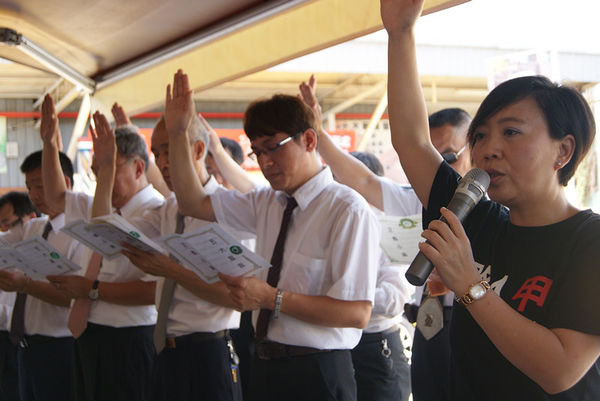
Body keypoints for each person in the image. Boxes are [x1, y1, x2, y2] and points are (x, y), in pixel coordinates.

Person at [382, 0, 600, 399]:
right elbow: (412, 142)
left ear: (563, 151)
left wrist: (468, 282)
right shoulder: (475, 217)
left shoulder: (590, 242)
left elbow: (560, 370)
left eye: (511, 132)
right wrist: (400, 34)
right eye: (480, 136)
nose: (488, 150)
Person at [165, 69, 379, 401]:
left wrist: (270, 298)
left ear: (309, 140)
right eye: (257, 152)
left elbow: (356, 313)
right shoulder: (267, 202)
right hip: (264, 365)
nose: (265, 162)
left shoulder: (346, 208)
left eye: (273, 148)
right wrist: (178, 133)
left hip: (318, 372)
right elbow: (192, 202)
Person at [299, 74, 471, 401]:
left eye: (447, 158)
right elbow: (363, 182)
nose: (438, 171)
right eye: (427, 160)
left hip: (472, 329)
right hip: (429, 330)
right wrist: (318, 133)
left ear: (474, 150)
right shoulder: (418, 201)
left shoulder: (495, 212)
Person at [99, 111, 244, 401]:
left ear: (199, 150)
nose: (163, 162)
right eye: (157, 153)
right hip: (165, 350)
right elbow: (105, 234)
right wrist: (105, 168)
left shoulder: (229, 209)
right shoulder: (169, 209)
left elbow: (236, 297)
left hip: (208, 351)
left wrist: (169, 269)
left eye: (169, 149)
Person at [40, 94, 161, 401]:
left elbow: (153, 291)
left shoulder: (157, 214)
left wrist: (91, 289)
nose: (100, 178)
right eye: (96, 171)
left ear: (138, 168)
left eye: (109, 167)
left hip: (130, 338)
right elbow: (56, 197)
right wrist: (49, 145)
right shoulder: (100, 205)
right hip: (89, 334)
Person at [0, 150, 84, 401]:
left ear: (64, 183)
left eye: (40, 185)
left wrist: (25, 284)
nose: (34, 195)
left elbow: (73, 296)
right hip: (26, 346)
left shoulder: (79, 232)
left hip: (60, 347)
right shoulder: (34, 227)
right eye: (29, 187)